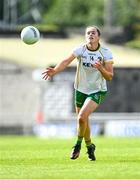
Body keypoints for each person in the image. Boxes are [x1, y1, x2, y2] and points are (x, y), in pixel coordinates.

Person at [42, 25, 114, 161]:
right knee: (82, 119)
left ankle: (77, 145)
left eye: (93, 33)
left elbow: (109, 76)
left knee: (82, 116)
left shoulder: (106, 53)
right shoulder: (80, 49)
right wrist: (55, 70)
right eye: (88, 33)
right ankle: (90, 146)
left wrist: (100, 68)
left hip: (97, 90)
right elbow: (66, 61)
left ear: (98, 37)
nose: (90, 35)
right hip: (80, 89)